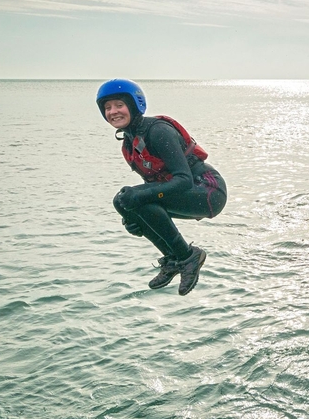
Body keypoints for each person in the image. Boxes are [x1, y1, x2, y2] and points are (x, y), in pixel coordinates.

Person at [96, 79, 227, 295]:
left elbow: (183, 179)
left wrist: (139, 202)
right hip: (187, 192)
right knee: (123, 201)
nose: (113, 112)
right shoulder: (129, 143)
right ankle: (175, 260)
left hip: (209, 190)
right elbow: (154, 189)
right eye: (107, 108)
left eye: (119, 105)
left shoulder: (157, 131)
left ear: (134, 104)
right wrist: (134, 220)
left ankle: (188, 257)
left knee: (134, 198)